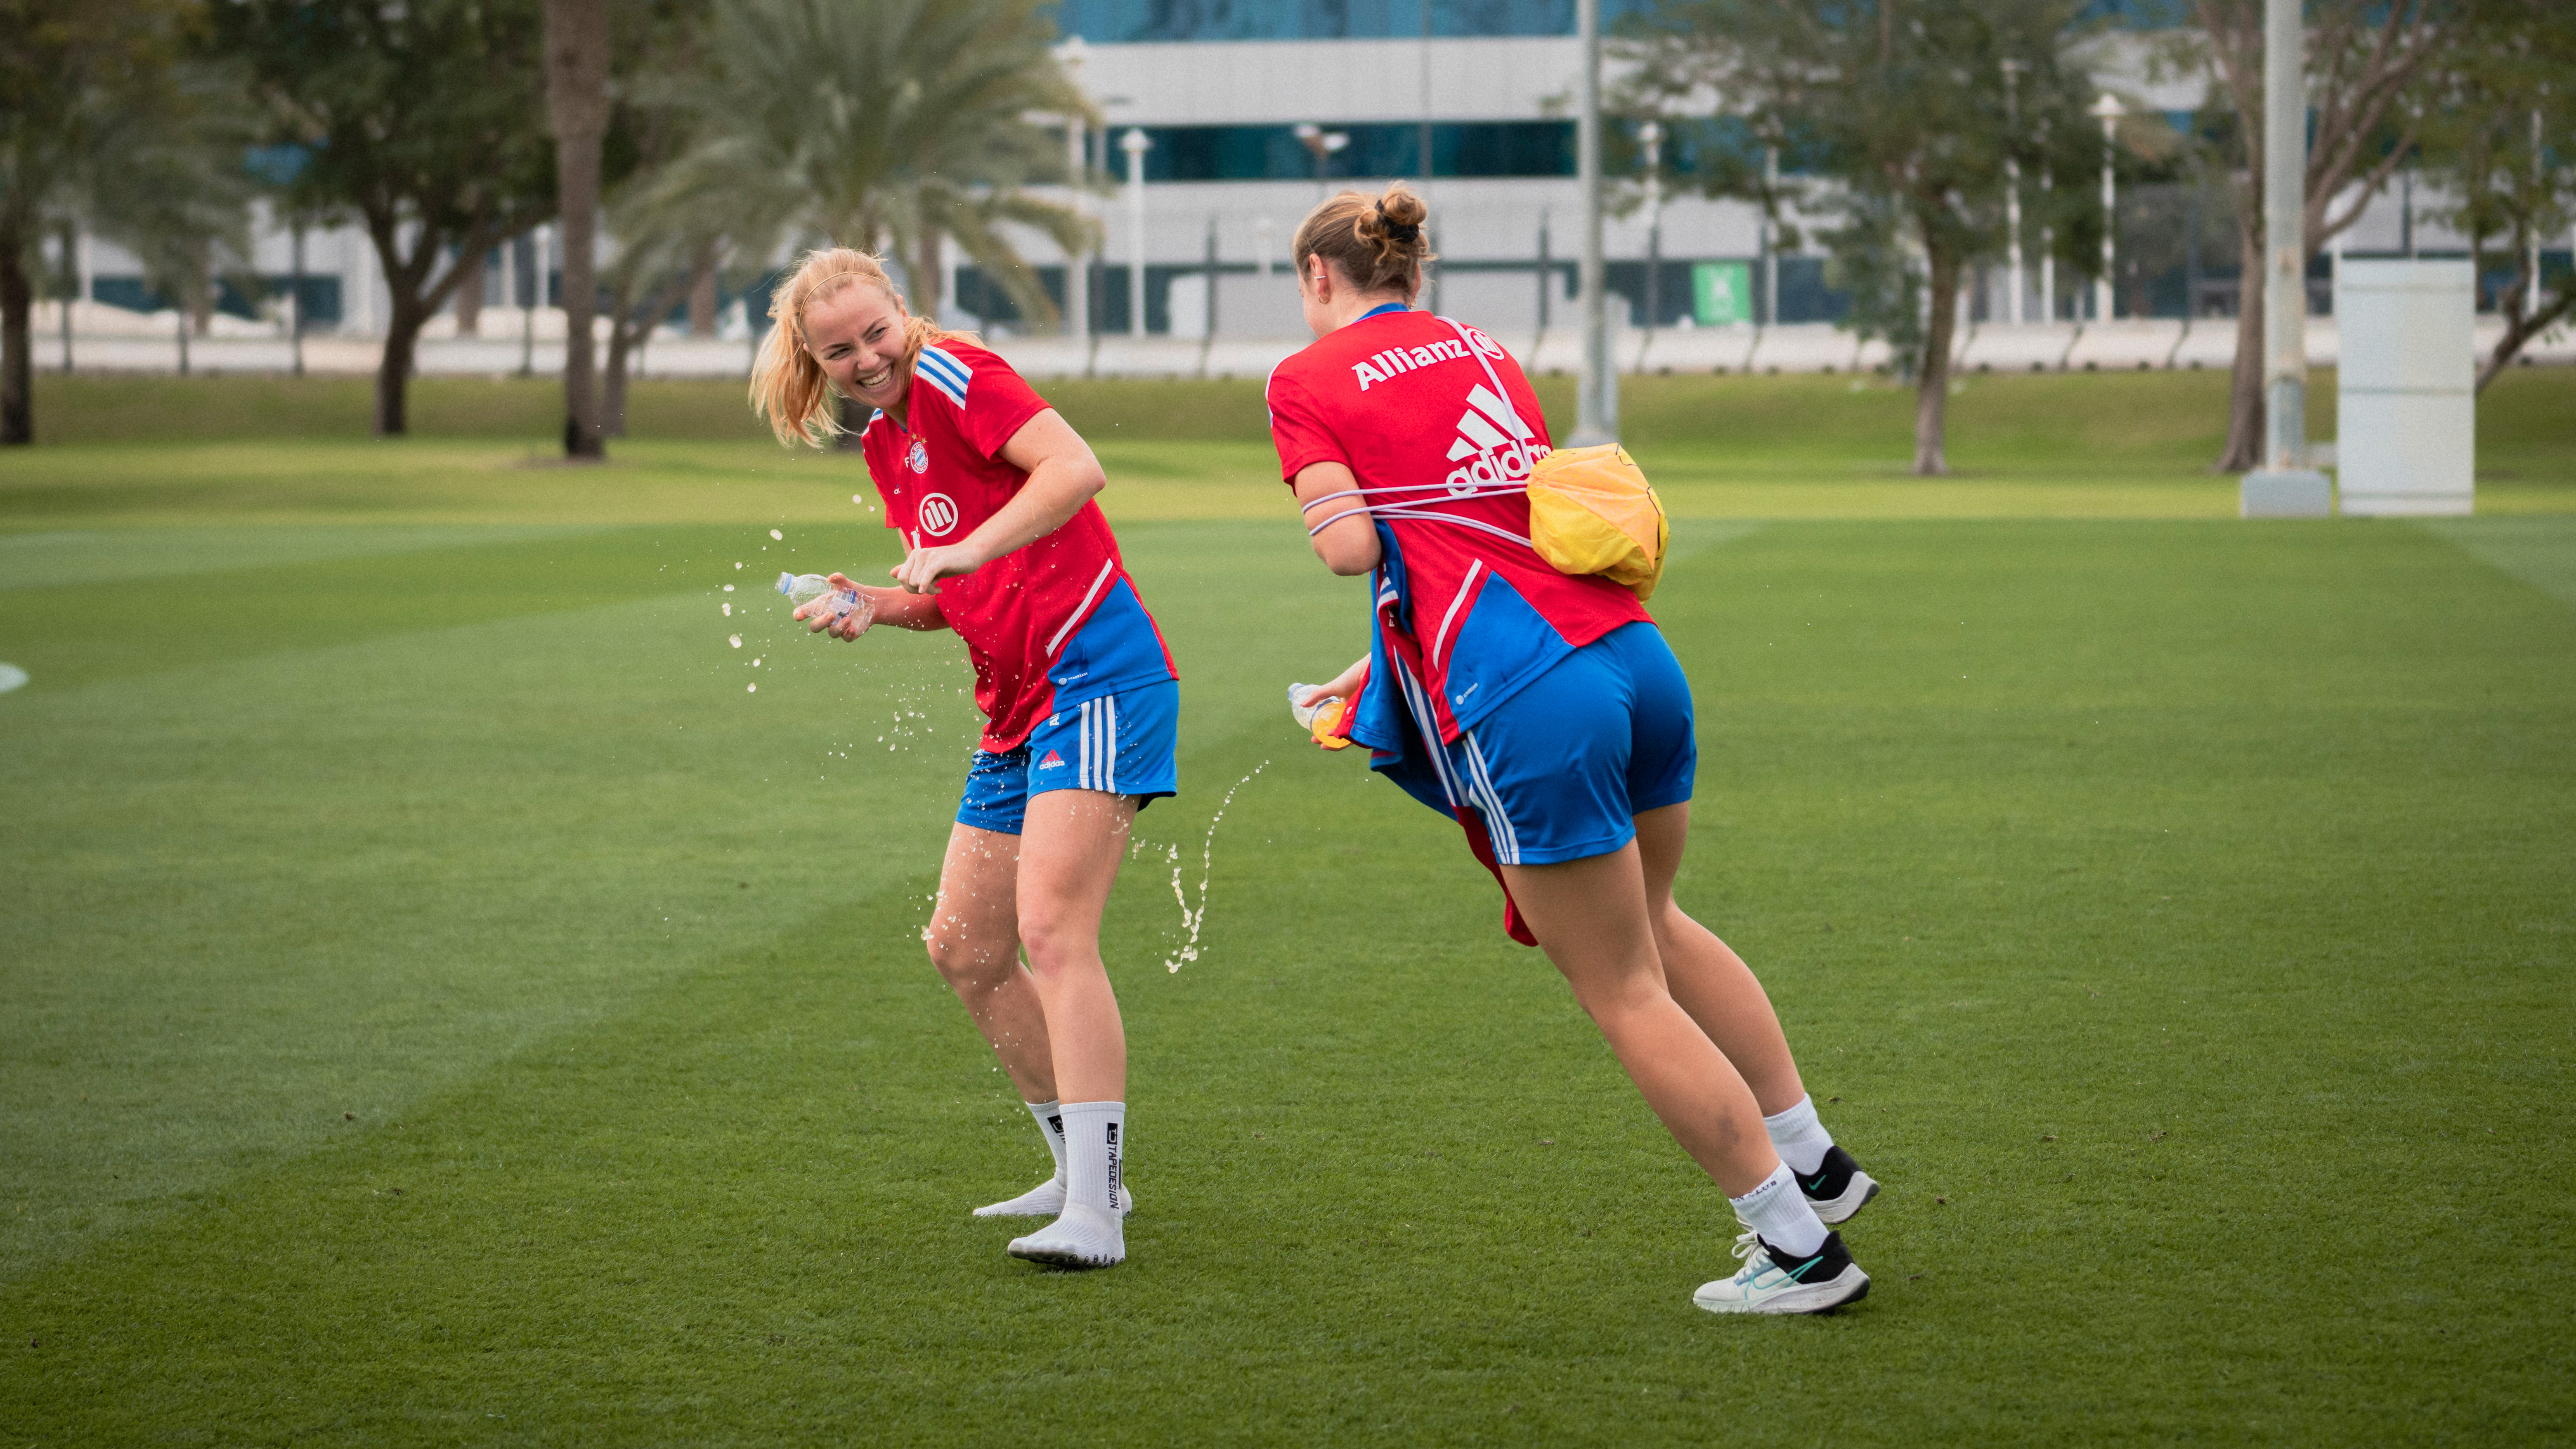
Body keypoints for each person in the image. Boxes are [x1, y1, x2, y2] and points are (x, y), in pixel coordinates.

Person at [1266, 187, 1881, 1315]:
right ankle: (1817, 1163)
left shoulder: (1303, 380)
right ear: (1414, 270)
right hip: (1633, 658)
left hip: (1526, 694)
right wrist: (1384, 671)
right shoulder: (1483, 347)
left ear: (1318, 278)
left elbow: (1356, 548)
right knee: (1660, 923)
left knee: (1622, 989)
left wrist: (1331, 502)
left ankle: (1799, 1251)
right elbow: (1495, 529)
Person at [751, 248, 1177, 1271]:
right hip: (1018, 704)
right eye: (837, 351)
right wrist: (873, 603)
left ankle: (1098, 1214)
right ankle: (1082, 1170)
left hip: (1099, 675)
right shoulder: (885, 443)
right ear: (813, 361)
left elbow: (1075, 468)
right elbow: (948, 596)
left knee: (1052, 931)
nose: (865, 359)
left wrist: (969, 547)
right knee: (964, 946)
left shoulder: (959, 376)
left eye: (874, 333)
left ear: (904, 314)